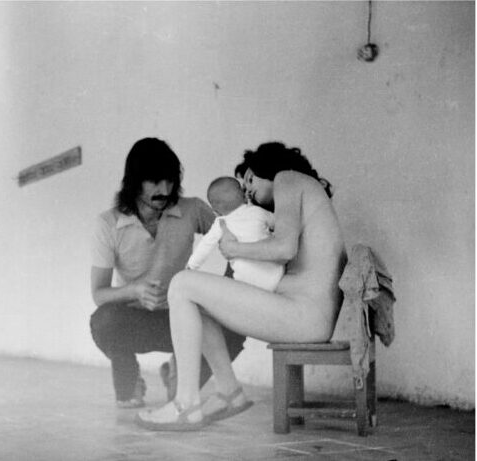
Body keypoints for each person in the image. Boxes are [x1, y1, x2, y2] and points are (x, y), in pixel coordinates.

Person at [136, 141, 346, 430]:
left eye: (249, 179)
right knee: (197, 302)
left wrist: (235, 249)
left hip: (304, 315)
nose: (247, 190)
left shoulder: (287, 178)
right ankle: (229, 392)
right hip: (304, 314)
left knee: (182, 284)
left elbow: (284, 248)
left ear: (269, 168)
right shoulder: (304, 190)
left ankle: (186, 404)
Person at [90, 137, 247, 408]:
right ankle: (130, 381)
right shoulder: (108, 223)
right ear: (134, 181)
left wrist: (226, 288)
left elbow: (234, 237)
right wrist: (135, 290)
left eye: (170, 181)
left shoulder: (191, 209)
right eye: (154, 181)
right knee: (103, 321)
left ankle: (178, 376)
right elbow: (99, 294)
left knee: (236, 329)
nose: (164, 190)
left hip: (183, 319)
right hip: (134, 320)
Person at [187, 176, 284, 292]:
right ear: (243, 195)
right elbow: (280, 223)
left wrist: (191, 266)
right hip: (276, 277)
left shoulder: (220, 223)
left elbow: (204, 246)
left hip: (246, 283)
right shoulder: (257, 212)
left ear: (215, 210)